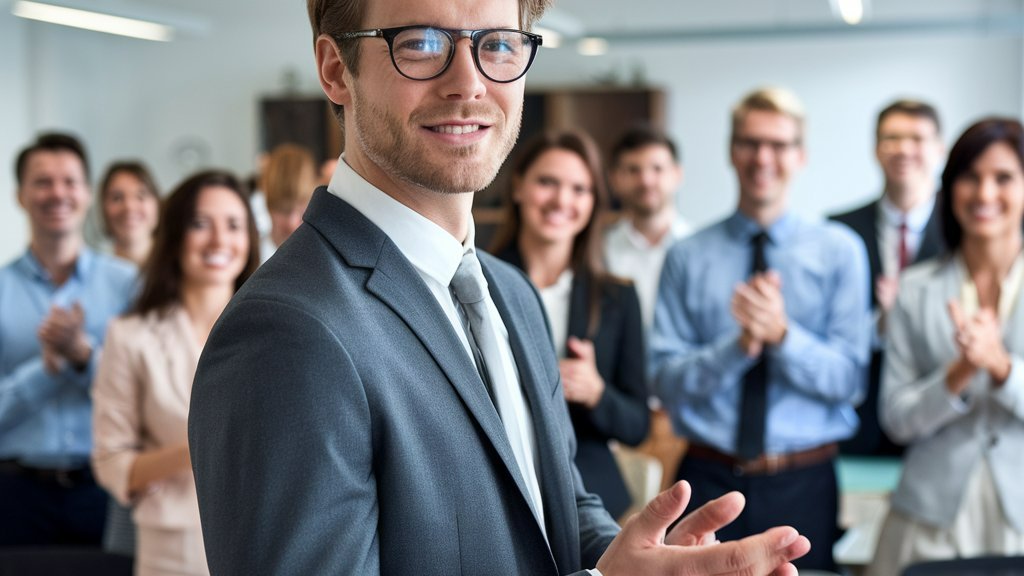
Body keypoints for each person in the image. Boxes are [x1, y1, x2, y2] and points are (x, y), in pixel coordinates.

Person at [188, 1, 810, 574]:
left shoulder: (511, 294)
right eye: (422, 43)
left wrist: (638, 561)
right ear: (334, 69)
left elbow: (551, 514)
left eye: (499, 45)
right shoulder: (289, 329)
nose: (469, 83)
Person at [649, 87, 871, 571]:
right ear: (732, 150)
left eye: (779, 144)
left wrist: (783, 337)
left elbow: (850, 383)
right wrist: (740, 347)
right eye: (750, 142)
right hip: (706, 477)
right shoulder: (687, 256)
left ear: (801, 155)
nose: (762, 157)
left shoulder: (841, 251)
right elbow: (664, 383)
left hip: (804, 481)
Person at [868, 118, 1024, 575]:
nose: (984, 194)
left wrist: (1000, 366)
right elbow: (896, 418)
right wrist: (957, 375)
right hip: (930, 517)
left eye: (1003, 178)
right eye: (969, 177)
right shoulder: (915, 289)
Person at [91, 170, 258, 576]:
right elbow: (112, 462)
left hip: (268, 539)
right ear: (174, 235)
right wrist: (198, 446)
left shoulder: (279, 330)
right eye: (201, 224)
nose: (220, 241)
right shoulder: (131, 336)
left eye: (234, 225)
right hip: (173, 551)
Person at [490, 130, 649, 520]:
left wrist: (596, 392)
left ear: (593, 203)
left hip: (593, 497)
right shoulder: (474, 281)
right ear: (518, 187)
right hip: (497, 492)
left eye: (580, 189)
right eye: (548, 182)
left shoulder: (618, 298)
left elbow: (637, 424)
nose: (563, 200)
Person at [0, 133, 137, 546]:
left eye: (69, 181)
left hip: (105, 489)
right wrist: (45, 370)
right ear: (20, 195)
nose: (57, 193)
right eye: (42, 182)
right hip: (15, 495)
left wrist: (84, 357)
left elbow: (142, 399)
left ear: (87, 193)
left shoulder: (128, 285)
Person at [830, 99, 946, 457]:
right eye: (891, 137)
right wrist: (882, 323)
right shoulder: (839, 231)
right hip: (858, 425)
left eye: (917, 138)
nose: (903, 149)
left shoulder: (966, 231)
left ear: (939, 149)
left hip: (939, 422)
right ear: (876, 148)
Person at [604, 124, 689, 333]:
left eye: (657, 169)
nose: (646, 180)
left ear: (677, 175)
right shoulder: (598, 252)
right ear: (614, 179)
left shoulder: (701, 249)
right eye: (634, 170)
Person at [260, 143, 317, 263]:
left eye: (303, 211)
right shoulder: (250, 261)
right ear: (267, 205)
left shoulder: (323, 260)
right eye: (283, 210)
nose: (291, 223)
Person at [97, 161, 161, 266]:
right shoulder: (95, 272)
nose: (129, 207)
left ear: (157, 204)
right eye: (117, 198)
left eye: (141, 196)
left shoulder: (182, 269)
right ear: (103, 208)